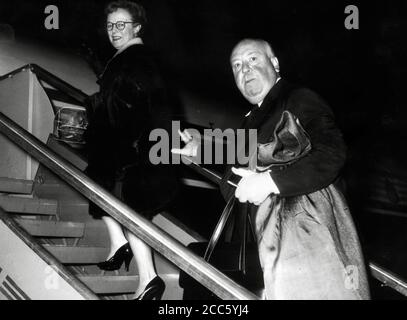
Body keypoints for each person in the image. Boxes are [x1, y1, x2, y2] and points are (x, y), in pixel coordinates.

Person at [173, 39, 370, 300]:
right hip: (272, 242)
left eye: (253, 59)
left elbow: (331, 153)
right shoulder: (254, 116)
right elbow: (250, 153)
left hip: (304, 239)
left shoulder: (298, 98)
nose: (245, 69)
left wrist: (269, 182)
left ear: (275, 63)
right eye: (237, 66)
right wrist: (201, 149)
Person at [84, 0, 177, 300]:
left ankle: (148, 278)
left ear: (137, 27)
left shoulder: (136, 58)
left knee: (127, 208)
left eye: (121, 24)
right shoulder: (127, 58)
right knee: (107, 196)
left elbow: (141, 106)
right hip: (130, 152)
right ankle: (121, 249)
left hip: (135, 154)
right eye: (111, 25)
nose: (114, 31)